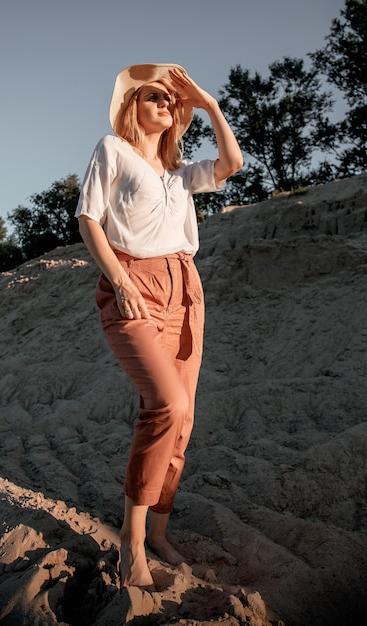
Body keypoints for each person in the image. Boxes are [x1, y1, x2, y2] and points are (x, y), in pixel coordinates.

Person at [76, 63, 243, 590]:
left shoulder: (180, 172)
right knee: (165, 405)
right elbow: (88, 218)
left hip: (186, 290)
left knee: (184, 418)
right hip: (135, 285)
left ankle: (158, 532)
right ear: (132, 107)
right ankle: (130, 539)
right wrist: (121, 281)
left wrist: (209, 104)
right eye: (155, 97)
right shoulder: (113, 150)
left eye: (172, 102)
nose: (166, 105)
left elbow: (232, 164)